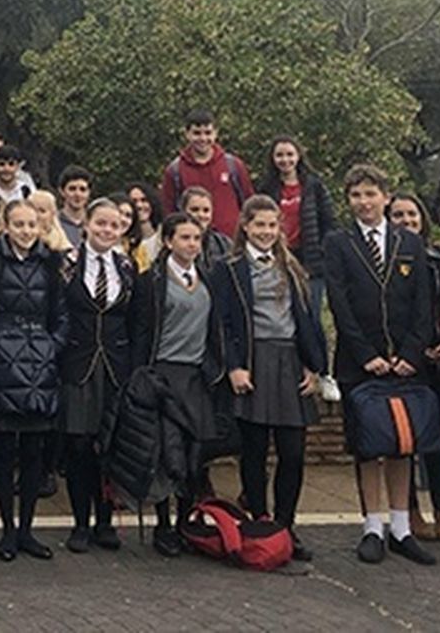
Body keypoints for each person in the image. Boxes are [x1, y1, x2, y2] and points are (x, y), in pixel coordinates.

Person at [322, 164, 436, 566]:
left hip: (405, 364)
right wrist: (365, 354)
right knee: (368, 445)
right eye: (356, 195)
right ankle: (373, 527)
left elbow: (423, 302)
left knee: (403, 445)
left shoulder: (410, 242)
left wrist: (411, 353)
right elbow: (339, 302)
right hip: (359, 364)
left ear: (386, 197)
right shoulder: (338, 243)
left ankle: (402, 528)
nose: (364, 202)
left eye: (371, 194)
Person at [213, 194, 325, 562]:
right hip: (253, 360)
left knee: (292, 452)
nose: (265, 231)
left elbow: (308, 320)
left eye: (272, 225)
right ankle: (260, 523)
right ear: (245, 226)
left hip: (289, 360)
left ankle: (285, 525)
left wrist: (314, 366)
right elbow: (222, 323)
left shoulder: (292, 267)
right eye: (259, 224)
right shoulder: (229, 269)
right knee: (254, 451)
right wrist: (234, 366)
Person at [0, 199, 68, 562]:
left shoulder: (50, 266)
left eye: (31, 224)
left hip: (39, 369)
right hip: (1, 371)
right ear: (5, 226)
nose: (25, 231)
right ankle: (7, 530)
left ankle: (27, 531)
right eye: (18, 224)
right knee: (4, 452)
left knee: (34, 453)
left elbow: (62, 317)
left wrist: (51, 346)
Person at [60, 198, 146, 553]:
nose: (107, 230)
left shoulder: (127, 266)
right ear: (87, 224)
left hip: (115, 366)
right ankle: (80, 522)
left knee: (108, 447)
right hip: (77, 364)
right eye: (101, 223)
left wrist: (135, 367)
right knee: (79, 446)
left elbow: (136, 320)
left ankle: (105, 521)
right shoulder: (66, 264)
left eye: (114, 225)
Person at [142, 212, 223, 558]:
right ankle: (163, 525)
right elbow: (141, 330)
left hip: (195, 375)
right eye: (184, 238)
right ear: (168, 241)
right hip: (163, 373)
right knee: (165, 453)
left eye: (196, 238)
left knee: (193, 454)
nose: (191, 244)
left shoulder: (208, 278)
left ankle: (184, 523)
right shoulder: (152, 281)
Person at [388, 192, 440, 542]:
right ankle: (410, 511)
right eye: (398, 215)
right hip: (403, 359)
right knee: (405, 439)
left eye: (412, 214)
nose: (407, 220)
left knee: (438, 437)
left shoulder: (439, 260)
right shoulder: (384, 262)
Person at [256, 136, 339, 402]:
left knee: (311, 315)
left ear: (299, 156)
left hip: (310, 261)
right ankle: (294, 371)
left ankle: (323, 372)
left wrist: (323, 252)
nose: (285, 160)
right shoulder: (266, 188)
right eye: (280, 155)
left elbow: (330, 223)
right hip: (278, 258)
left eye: (290, 154)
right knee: (282, 316)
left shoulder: (313, 185)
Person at [159, 109, 254, 238]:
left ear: (216, 133)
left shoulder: (233, 165)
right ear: (187, 134)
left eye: (208, 133)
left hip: (231, 240)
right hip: (192, 242)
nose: (203, 138)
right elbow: (169, 212)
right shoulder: (175, 171)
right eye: (197, 133)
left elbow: (249, 205)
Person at [56, 166, 92, 248]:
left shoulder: (94, 224)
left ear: (89, 193)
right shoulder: (54, 223)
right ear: (62, 191)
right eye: (72, 189)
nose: (78, 194)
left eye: (82, 189)